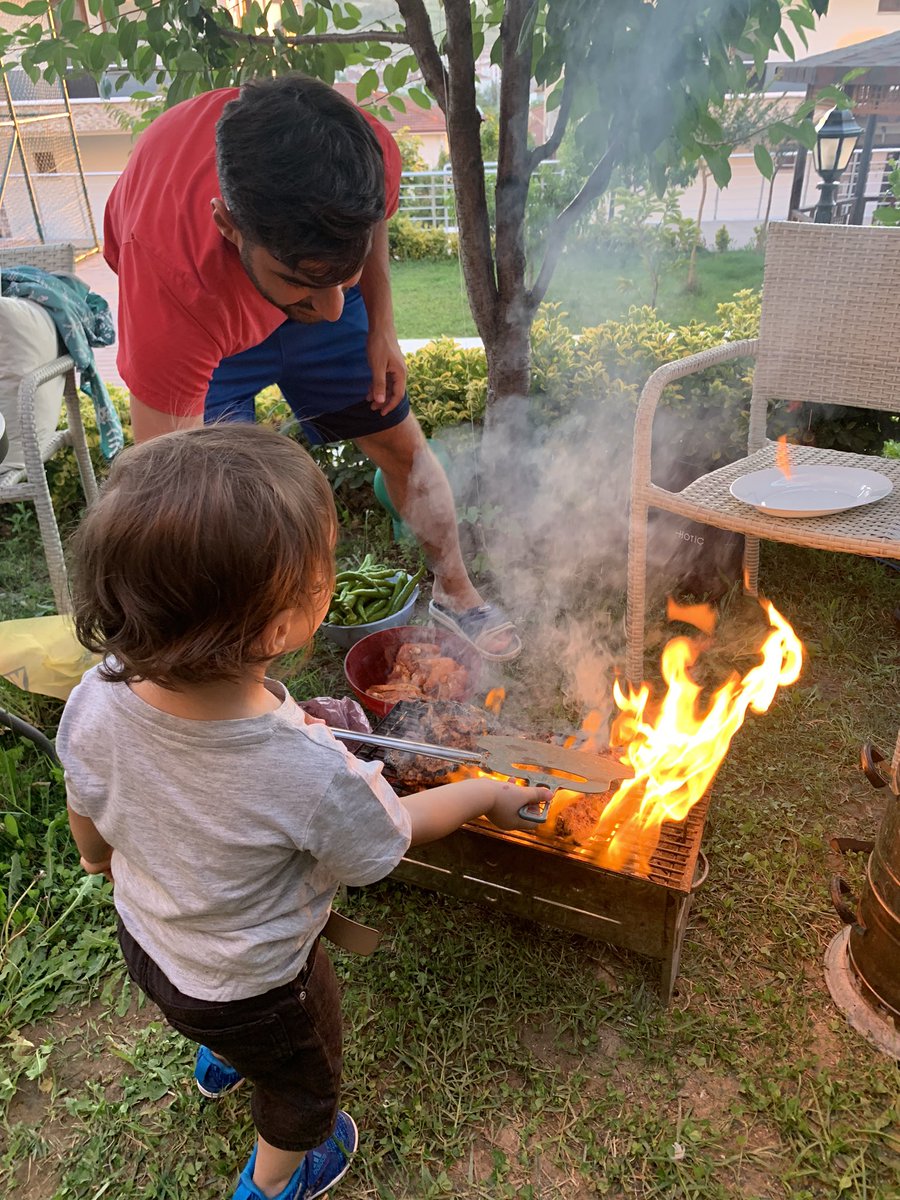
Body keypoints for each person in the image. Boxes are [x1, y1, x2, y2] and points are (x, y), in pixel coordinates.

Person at [56, 425, 549, 1200]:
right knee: (301, 1086)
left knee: (208, 1017)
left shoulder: (97, 692)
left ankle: (220, 1062)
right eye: (325, 566)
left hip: (150, 944)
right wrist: (487, 793)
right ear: (283, 625)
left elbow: (83, 801)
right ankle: (276, 1181)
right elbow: (389, 838)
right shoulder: (307, 768)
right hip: (259, 988)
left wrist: (94, 856)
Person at [102, 72, 521, 662]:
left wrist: (379, 324)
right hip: (208, 313)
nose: (330, 313)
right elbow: (165, 496)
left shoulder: (357, 153)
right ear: (228, 226)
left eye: (342, 279)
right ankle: (229, 655)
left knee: (402, 444)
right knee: (205, 506)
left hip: (291, 266)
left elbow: (367, 225)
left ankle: (455, 593)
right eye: (302, 282)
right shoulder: (171, 288)